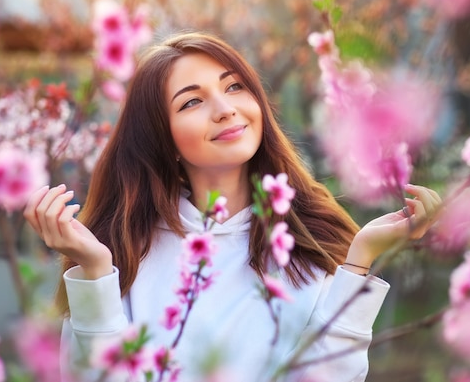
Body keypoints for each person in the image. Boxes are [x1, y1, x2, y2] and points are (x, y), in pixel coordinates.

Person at [23, 31, 441, 382]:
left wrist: (361, 258)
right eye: (192, 102)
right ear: (161, 139)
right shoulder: (125, 252)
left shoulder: (311, 242)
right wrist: (94, 273)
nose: (225, 110)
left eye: (234, 86)